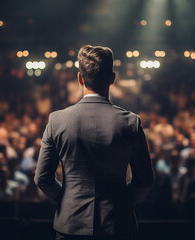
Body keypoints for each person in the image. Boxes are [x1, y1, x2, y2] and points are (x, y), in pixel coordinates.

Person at [34, 45, 154, 240]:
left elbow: (42, 179)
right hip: (117, 225)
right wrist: (121, 202)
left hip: (70, 226)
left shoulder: (57, 120)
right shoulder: (130, 122)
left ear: (80, 78)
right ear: (112, 79)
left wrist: (68, 200)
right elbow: (145, 180)